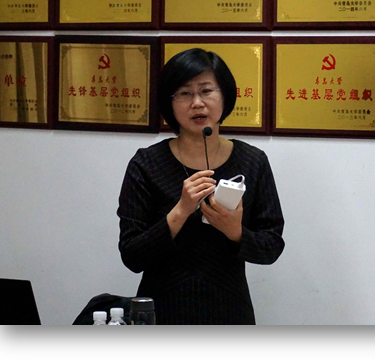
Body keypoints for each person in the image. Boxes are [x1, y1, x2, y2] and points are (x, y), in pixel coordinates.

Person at [117, 48, 285, 325]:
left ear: (225, 96)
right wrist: (181, 210)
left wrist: (234, 231)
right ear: (169, 103)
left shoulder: (252, 161)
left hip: (230, 310)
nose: (197, 103)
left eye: (206, 91)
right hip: (163, 312)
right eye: (184, 93)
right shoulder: (146, 164)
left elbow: (272, 247)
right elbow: (132, 256)